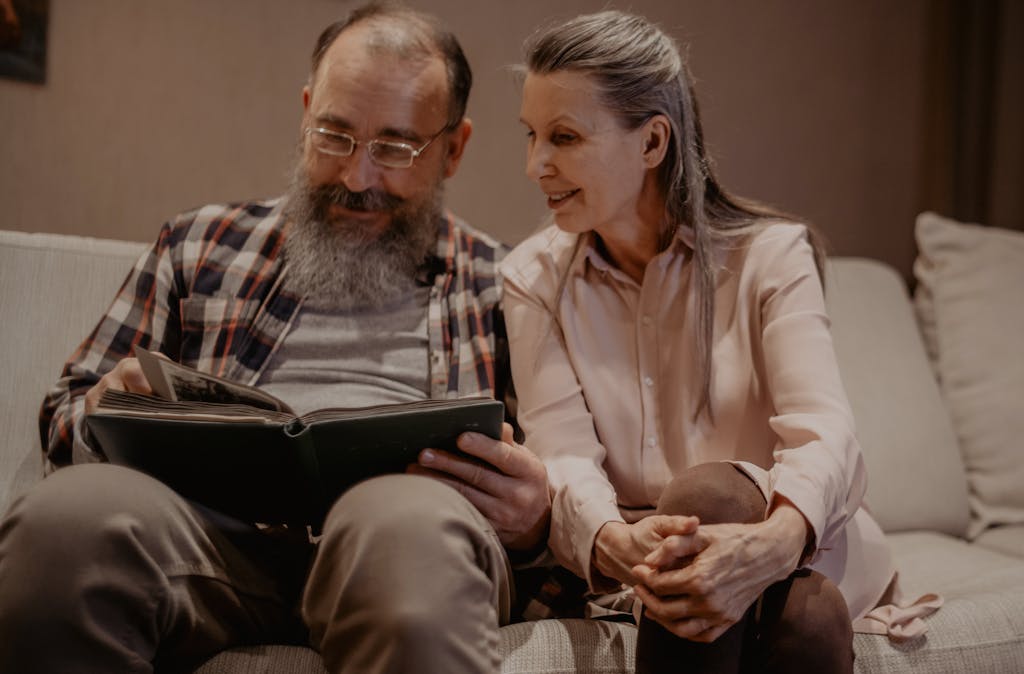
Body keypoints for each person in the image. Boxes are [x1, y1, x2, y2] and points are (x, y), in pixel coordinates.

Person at [0, 4, 550, 673]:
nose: (358, 177)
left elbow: (567, 474)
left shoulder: (511, 285)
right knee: (64, 525)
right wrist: (104, 411)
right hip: (211, 539)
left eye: (395, 148)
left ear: (453, 148)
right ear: (305, 111)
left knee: (406, 533)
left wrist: (535, 519)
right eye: (335, 135)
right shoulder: (200, 243)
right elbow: (67, 409)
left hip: (406, 542)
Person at [502, 10, 939, 673]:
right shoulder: (531, 279)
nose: (536, 165)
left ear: (652, 143)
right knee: (807, 616)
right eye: (532, 135)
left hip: (797, 536)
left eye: (563, 137)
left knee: (710, 494)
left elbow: (823, 430)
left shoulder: (770, 255)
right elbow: (562, 455)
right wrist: (619, 541)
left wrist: (777, 540)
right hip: (651, 560)